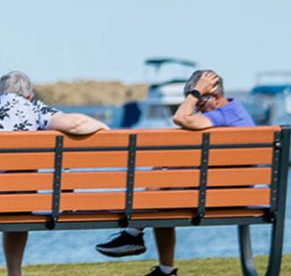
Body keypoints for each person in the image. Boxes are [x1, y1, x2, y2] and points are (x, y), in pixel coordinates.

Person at [0, 71, 110, 276]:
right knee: (18, 201)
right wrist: (104, 128)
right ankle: (14, 272)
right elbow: (75, 124)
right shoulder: (35, 110)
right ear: (30, 96)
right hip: (17, 202)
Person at [93, 70, 254, 276]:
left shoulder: (223, 114)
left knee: (161, 186)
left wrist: (194, 93)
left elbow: (180, 117)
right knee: (162, 184)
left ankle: (133, 235)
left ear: (214, 95)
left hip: (225, 196)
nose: (198, 110)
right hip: (237, 191)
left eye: (200, 104)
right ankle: (162, 267)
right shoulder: (235, 111)